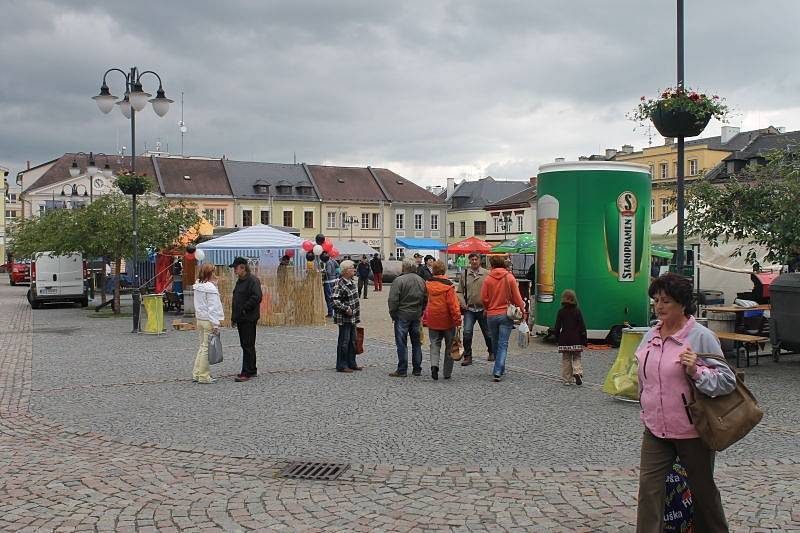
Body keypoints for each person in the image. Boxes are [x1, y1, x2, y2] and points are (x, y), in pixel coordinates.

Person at [635, 273, 736, 532]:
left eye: (666, 301)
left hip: (693, 431)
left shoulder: (700, 336)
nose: (659, 306)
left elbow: (726, 381)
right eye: (656, 300)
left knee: (703, 492)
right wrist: (645, 405)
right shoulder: (650, 336)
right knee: (649, 491)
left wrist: (697, 371)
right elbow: (645, 378)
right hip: (656, 429)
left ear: (682, 303)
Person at [480, 255, 524, 382]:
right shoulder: (509, 277)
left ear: (492, 265)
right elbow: (517, 296)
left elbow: (483, 298)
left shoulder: (488, 279)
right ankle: (498, 370)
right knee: (503, 343)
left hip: (492, 315)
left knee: (494, 341)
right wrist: (522, 309)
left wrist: (488, 306)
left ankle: (499, 367)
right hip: (506, 314)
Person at [387, 258, 428, 377]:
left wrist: (393, 314)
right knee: (416, 343)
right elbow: (425, 298)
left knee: (401, 343)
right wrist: (421, 311)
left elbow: (393, 300)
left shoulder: (399, 281)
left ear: (404, 267)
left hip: (402, 314)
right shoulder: (421, 280)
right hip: (416, 314)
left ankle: (402, 369)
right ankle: (417, 369)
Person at [424, 261, 462, 381]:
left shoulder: (428, 284)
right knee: (450, 346)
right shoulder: (449, 286)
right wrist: (458, 320)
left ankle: (434, 366)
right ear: (444, 270)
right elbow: (453, 305)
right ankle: (447, 372)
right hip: (447, 320)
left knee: (434, 343)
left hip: (433, 319)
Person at [456, 253, 493, 366]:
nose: (474, 261)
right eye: (472, 259)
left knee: (488, 333)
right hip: (469, 309)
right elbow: (459, 291)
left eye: (476, 259)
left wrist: (489, 305)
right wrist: (463, 303)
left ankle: (491, 352)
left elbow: (491, 291)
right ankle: (467, 356)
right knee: (467, 333)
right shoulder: (465, 274)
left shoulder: (487, 274)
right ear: (469, 261)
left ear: (480, 261)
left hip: (483, 309)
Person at [230, 257, 263, 382]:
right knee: (245, 345)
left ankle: (246, 372)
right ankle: (252, 369)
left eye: (236, 268)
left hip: (248, 318)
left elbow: (257, 297)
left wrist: (245, 308)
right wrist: (234, 317)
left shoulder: (252, 281)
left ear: (243, 268)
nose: (234, 270)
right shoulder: (240, 281)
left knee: (248, 345)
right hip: (241, 318)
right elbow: (236, 299)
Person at [192, 263, 224, 384]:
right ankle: (204, 376)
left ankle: (196, 373)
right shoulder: (210, 288)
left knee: (202, 347)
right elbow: (213, 307)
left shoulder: (198, 285)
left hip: (200, 319)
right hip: (208, 320)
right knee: (206, 348)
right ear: (210, 273)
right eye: (214, 272)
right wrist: (215, 324)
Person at [332, 260, 362, 373]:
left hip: (353, 318)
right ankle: (341, 365)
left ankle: (352, 363)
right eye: (351, 268)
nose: (354, 270)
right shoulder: (339, 284)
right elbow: (334, 300)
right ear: (345, 271)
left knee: (353, 341)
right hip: (344, 318)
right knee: (344, 342)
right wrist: (346, 308)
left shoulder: (351, 282)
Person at [553, 289, 587, 386]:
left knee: (566, 359)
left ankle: (567, 379)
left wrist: (557, 337)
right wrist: (584, 338)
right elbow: (582, 326)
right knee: (576, 357)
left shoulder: (561, 312)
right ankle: (577, 372)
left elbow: (557, 326)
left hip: (565, 339)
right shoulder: (577, 311)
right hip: (576, 339)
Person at [322, 252, 339, 318]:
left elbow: (328, 272)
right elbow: (338, 268)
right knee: (333, 297)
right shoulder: (333, 261)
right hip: (334, 280)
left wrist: (323, 271)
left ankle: (330, 313)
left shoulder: (328, 262)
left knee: (328, 298)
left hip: (328, 281)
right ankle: (334, 312)